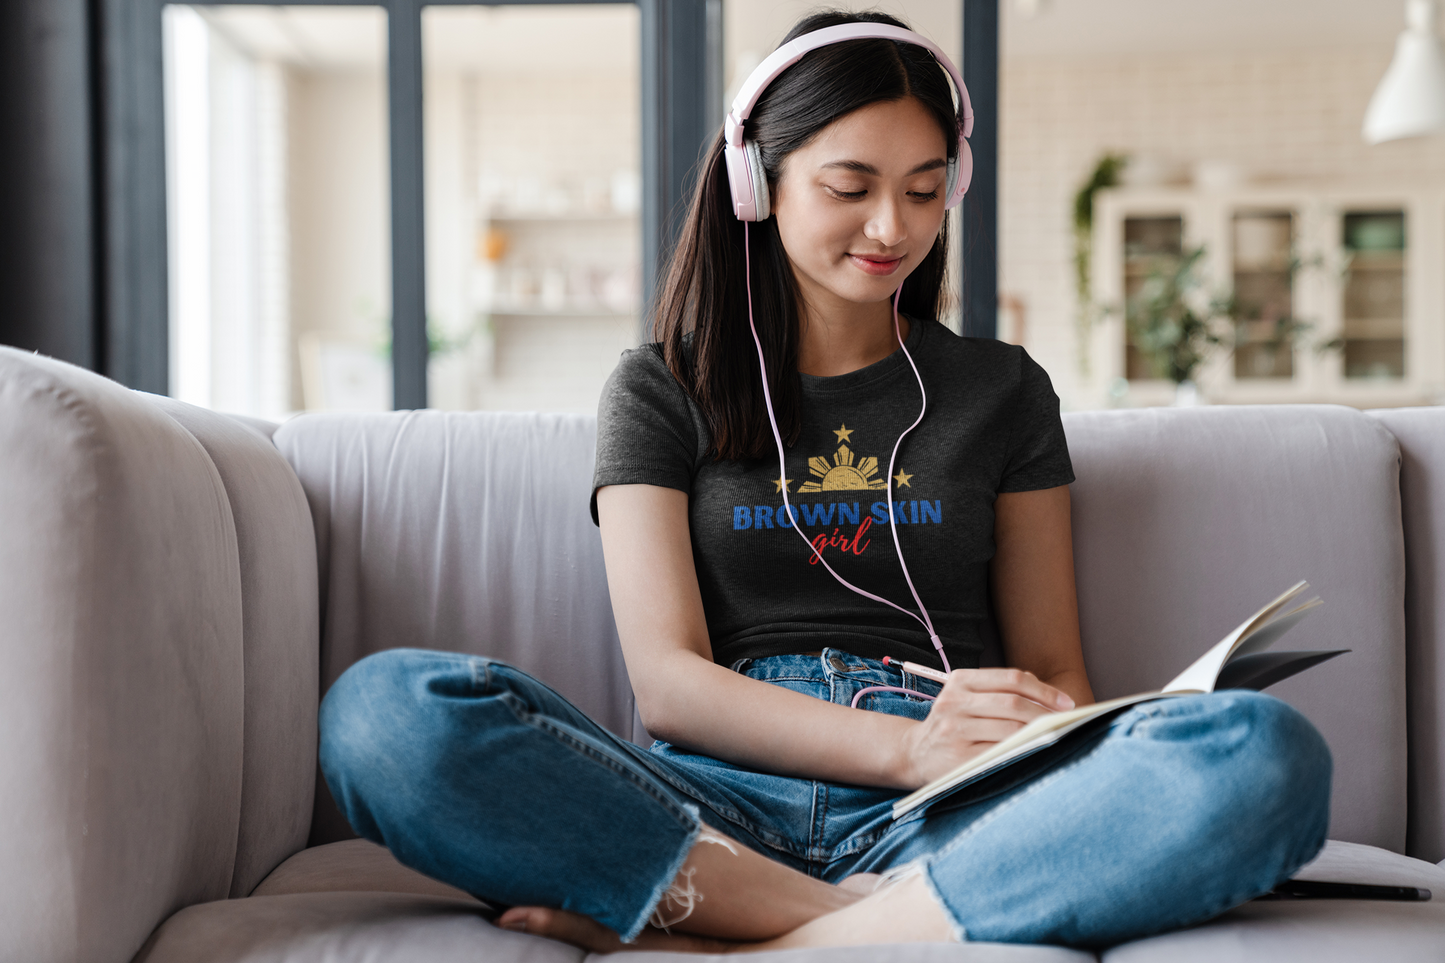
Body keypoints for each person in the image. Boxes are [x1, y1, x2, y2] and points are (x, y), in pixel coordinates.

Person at [318, 10, 1332, 952]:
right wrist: (902, 750)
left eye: (924, 189)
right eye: (849, 188)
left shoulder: (1001, 392)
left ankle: (755, 937)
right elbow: (668, 687)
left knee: (1258, 752)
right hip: (716, 805)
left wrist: (1034, 723)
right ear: (755, 183)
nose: (891, 227)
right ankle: (861, 926)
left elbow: (1055, 667)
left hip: (956, 805)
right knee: (385, 715)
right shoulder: (658, 387)